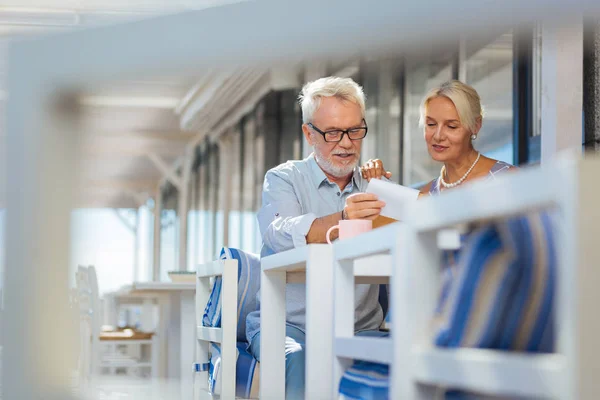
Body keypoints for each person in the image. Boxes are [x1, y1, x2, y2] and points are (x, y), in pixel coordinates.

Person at [245, 76, 388, 399]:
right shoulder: (283, 178)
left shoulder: (374, 185)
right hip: (290, 326)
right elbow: (279, 233)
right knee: (298, 358)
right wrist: (343, 219)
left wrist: (388, 200)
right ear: (309, 133)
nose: (347, 143)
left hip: (360, 329)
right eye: (333, 133)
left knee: (404, 359)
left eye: (354, 130)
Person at [362, 80, 514, 190]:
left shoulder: (508, 178)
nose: (438, 136)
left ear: (476, 126)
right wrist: (378, 184)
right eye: (431, 124)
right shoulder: (427, 195)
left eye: (451, 126)